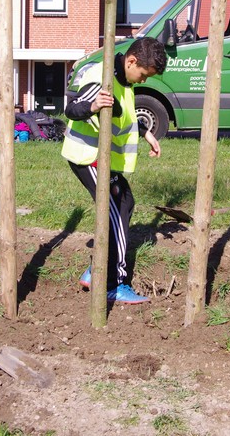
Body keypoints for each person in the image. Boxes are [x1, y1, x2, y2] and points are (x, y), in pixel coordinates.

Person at [62, 37, 168, 304]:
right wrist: (93, 106)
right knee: (117, 212)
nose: (143, 80)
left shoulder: (124, 79)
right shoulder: (102, 77)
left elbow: (123, 114)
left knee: (125, 204)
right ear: (131, 61)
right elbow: (72, 109)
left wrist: (145, 133)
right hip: (89, 157)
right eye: (144, 74)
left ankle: (95, 270)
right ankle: (112, 283)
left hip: (103, 159)